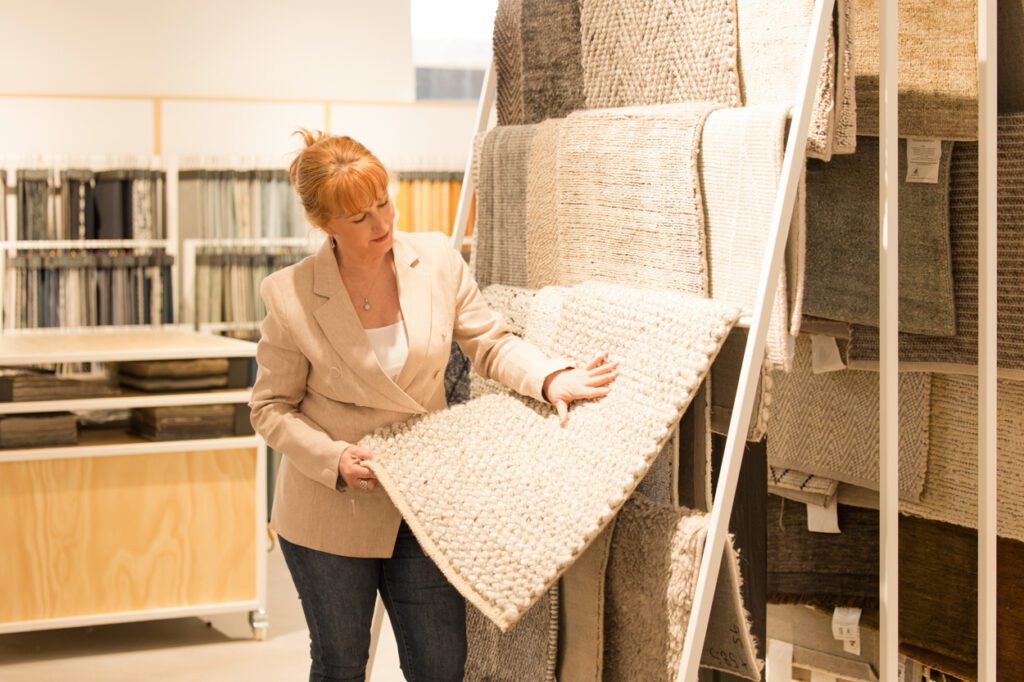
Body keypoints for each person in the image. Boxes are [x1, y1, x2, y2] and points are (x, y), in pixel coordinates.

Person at [249, 130, 619, 682]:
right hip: (331, 508)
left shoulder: (438, 262)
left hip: (423, 505)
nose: (381, 225)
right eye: (359, 218)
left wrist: (550, 378)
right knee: (340, 666)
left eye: (384, 204)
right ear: (324, 223)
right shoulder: (291, 294)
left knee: (441, 666)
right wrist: (332, 460)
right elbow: (270, 407)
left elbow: (490, 343)